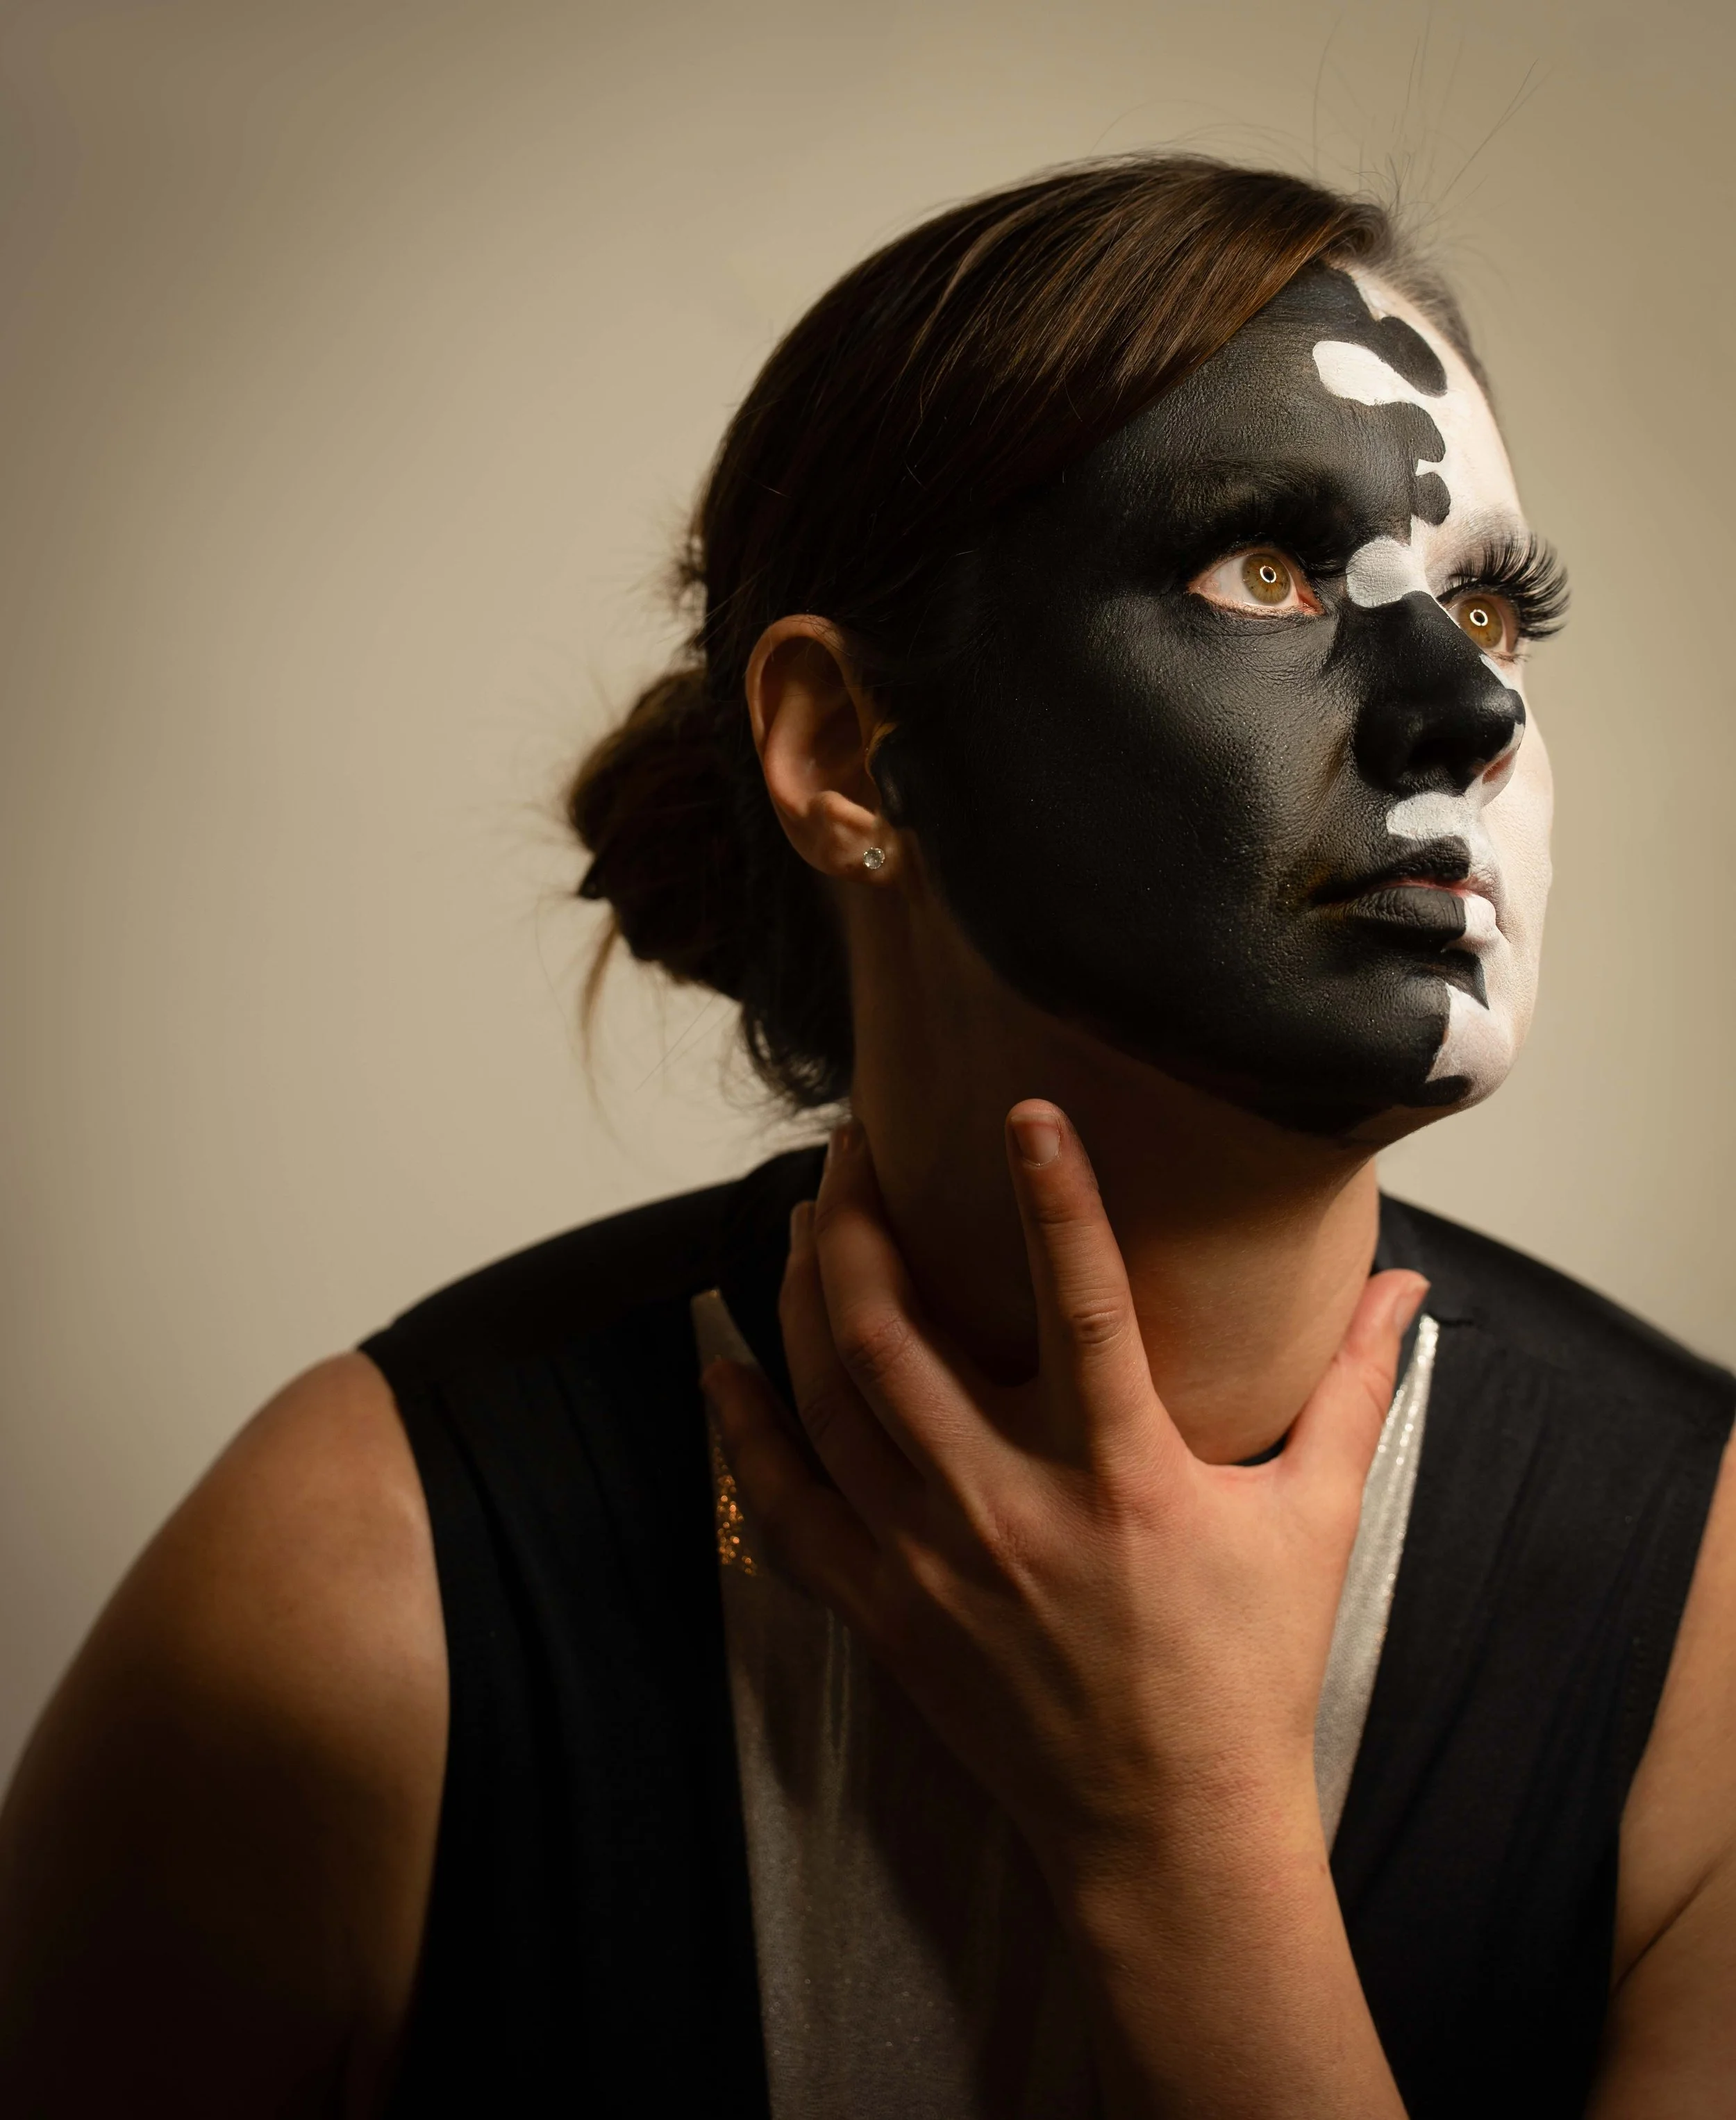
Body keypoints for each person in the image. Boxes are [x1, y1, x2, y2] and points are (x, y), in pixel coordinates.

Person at [0, 155, 1730, 2120]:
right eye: (1262, 570)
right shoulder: (353, 1592)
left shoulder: (1712, 1633)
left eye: (1492, 606)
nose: (1466, 711)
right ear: (841, 747)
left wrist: (1186, 1838)